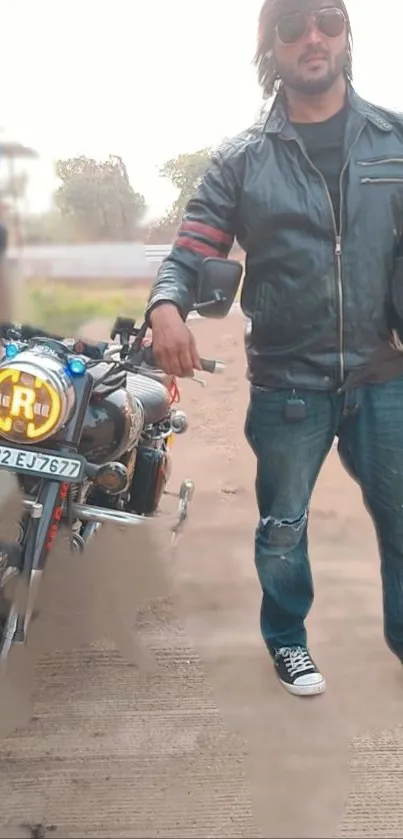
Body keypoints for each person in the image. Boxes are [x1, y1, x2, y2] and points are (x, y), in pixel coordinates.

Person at [145, 0, 403, 697]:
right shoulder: (241, 160)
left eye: (325, 20)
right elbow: (193, 246)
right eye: (291, 26)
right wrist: (166, 306)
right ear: (272, 47)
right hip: (289, 382)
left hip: (385, 374)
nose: (311, 37)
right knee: (283, 524)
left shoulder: (394, 139)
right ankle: (287, 640)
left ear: (346, 34)